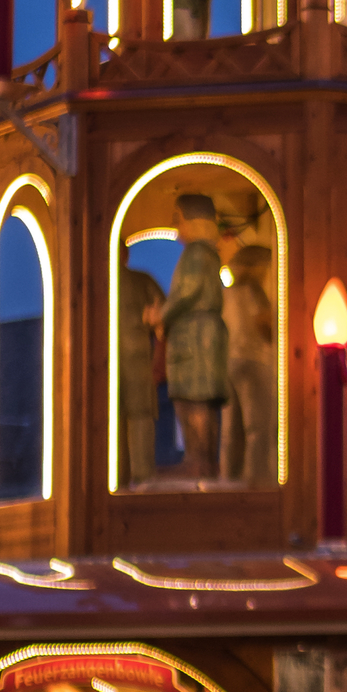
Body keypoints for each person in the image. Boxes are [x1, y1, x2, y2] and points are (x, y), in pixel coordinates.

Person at [152, 195, 228, 479]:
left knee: (193, 401)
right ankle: (202, 460)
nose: (175, 224)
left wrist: (161, 314)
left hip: (194, 341)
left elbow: (187, 291)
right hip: (203, 338)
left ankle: (199, 460)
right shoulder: (209, 254)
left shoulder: (195, 254)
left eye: (179, 217)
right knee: (200, 404)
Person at [219, 241, 275, 488]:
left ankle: (229, 478)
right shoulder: (253, 290)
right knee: (258, 426)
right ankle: (258, 480)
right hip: (254, 360)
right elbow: (264, 324)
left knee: (232, 428)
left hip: (229, 361)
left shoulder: (225, 292)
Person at [117, 263, 166, 486]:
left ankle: (117, 481)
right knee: (140, 417)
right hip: (137, 358)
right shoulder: (142, 280)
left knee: (113, 421)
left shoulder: (93, 282)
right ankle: (142, 481)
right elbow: (161, 316)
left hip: (104, 361)